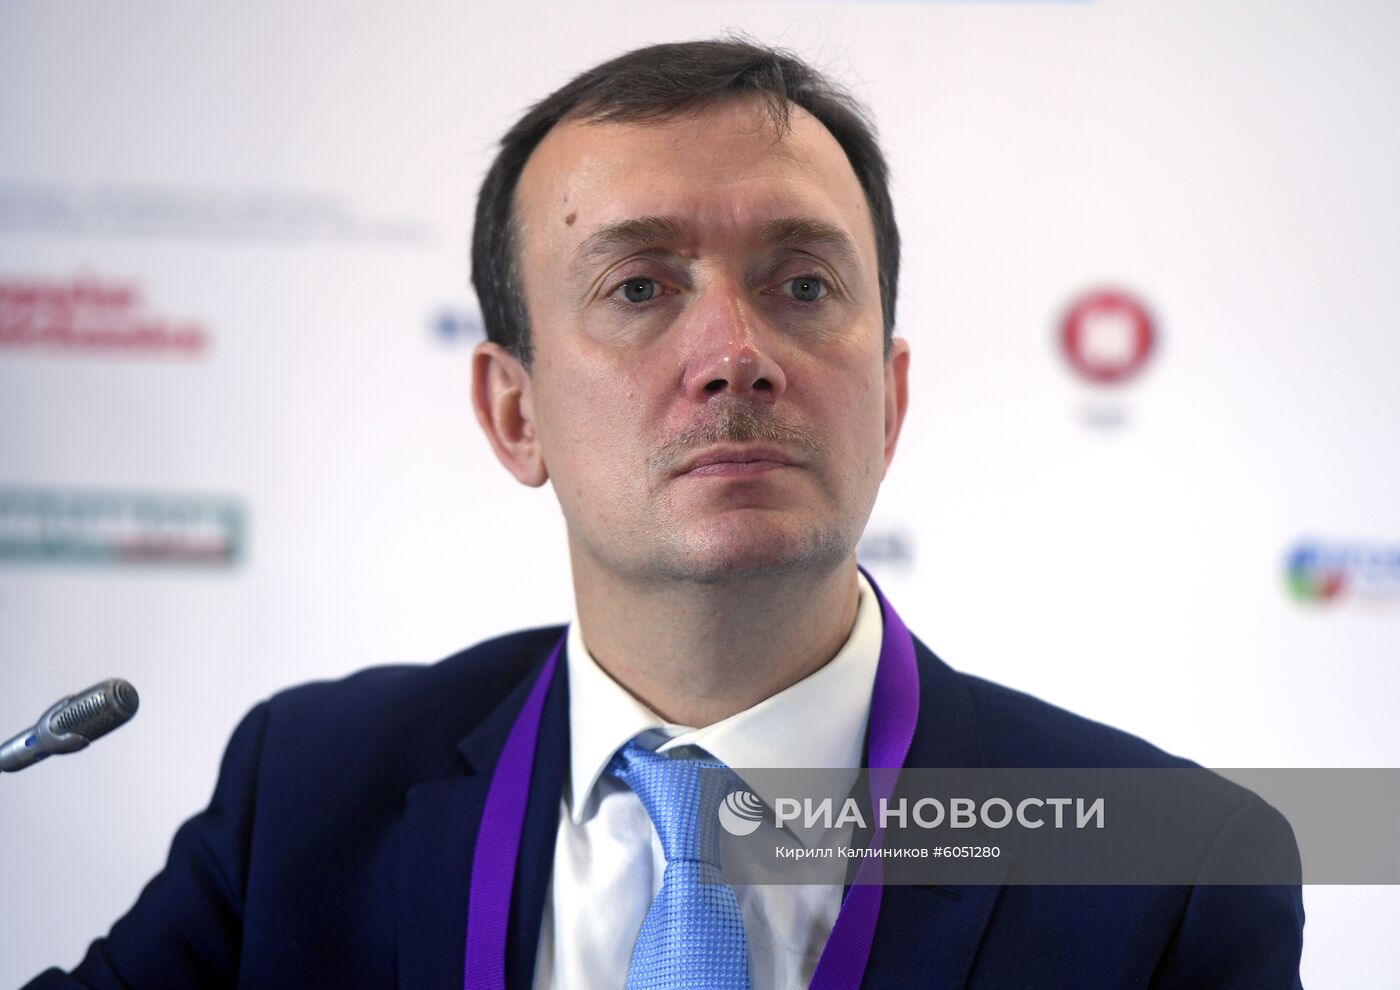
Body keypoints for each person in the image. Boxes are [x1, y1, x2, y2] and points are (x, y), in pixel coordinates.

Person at [26, 38, 1303, 989]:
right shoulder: (309, 792)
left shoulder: (1168, 865)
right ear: (513, 412)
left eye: (802, 285)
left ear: (890, 399)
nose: (734, 355)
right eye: (638, 288)